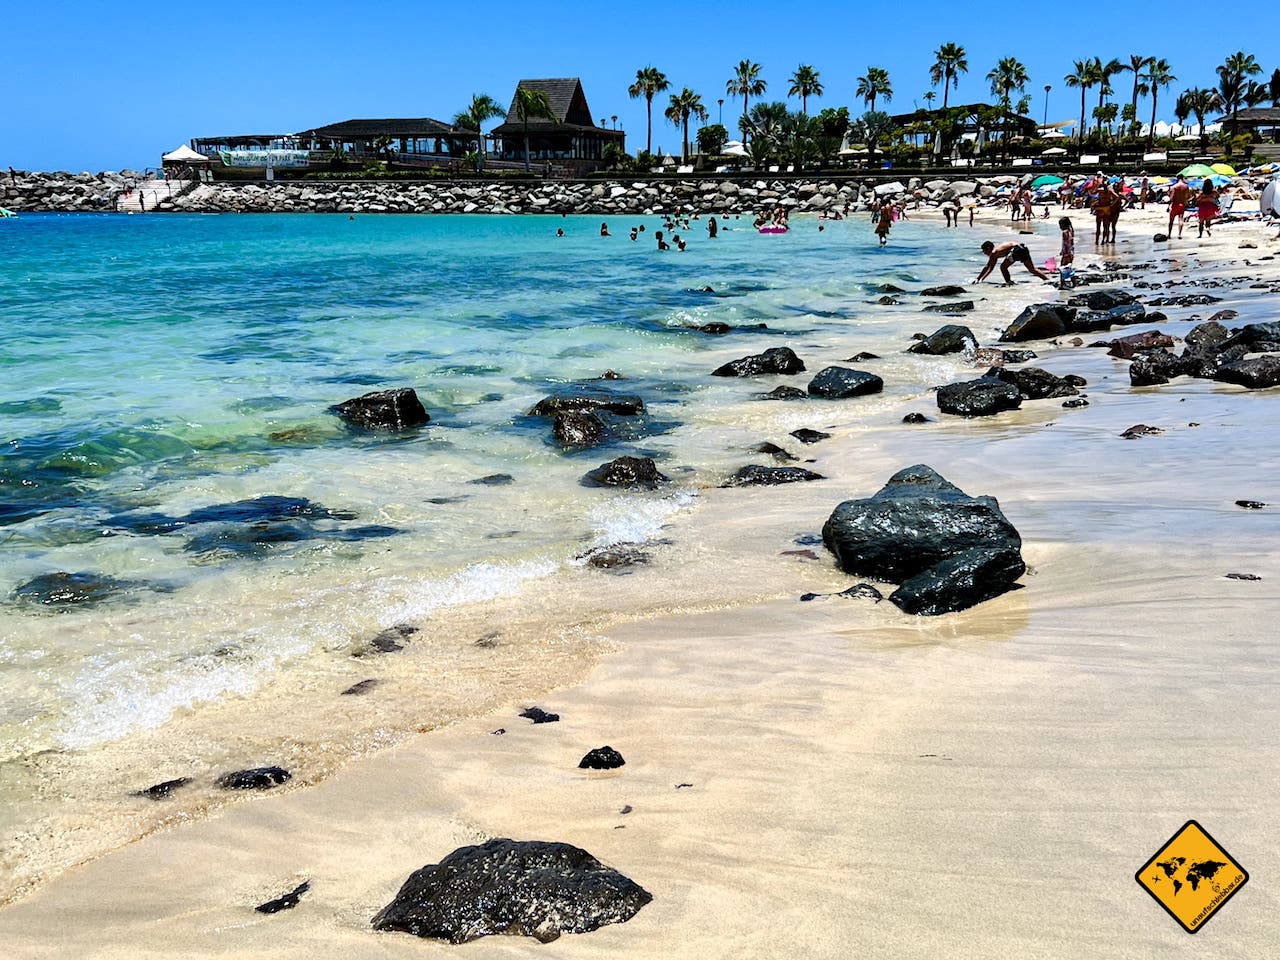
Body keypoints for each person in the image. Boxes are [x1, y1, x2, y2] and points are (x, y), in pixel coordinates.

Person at [976, 240, 1050, 284]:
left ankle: (1009, 282)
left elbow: (987, 267)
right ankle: (1047, 280)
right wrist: (982, 279)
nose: (984, 253)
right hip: (1023, 248)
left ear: (988, 248)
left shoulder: (994, 253)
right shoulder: (996, 253)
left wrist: (977, 279)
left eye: (984, 250)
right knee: (1032, 269)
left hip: (1016, 250)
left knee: (1003, 267)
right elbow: (990, 268)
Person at [1058, 216, 1075, 289]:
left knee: (1062, 269)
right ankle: (1074, 282)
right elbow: (1071, 243)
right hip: (1071, 253)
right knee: (1068, 268)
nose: (1060, 227)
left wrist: (1065, 253)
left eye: (1060, 225)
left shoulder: (1065, 232)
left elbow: (1066, 244)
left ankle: (1062, 284)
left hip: (1067, 253)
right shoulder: (1070, 231)